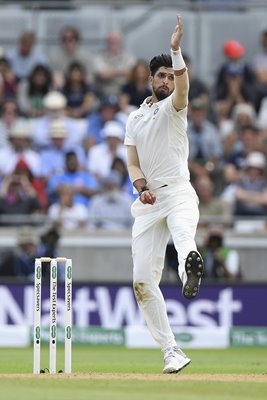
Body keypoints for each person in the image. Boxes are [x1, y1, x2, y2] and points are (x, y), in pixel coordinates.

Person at [124, 16, 204, 374]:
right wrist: (141, 190)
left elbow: (186, 88)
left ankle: (190, 272)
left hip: (180, 195)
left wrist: (176, 51)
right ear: (151, 79)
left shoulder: (176, 109)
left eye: (172, 76)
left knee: (185, 236)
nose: (168, 81)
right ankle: (172, 351)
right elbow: (132, 164)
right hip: (150, 204)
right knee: (142, 280)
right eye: (163, 76)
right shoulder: (135, 119)